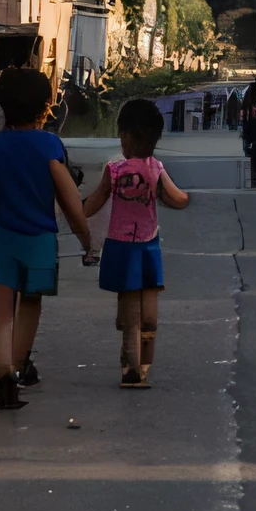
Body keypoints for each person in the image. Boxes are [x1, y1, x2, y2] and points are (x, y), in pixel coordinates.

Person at [0, 66, 94, 411]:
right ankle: (18, 367)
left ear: (1, 104)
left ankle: (2, 369)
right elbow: (68, 198)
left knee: (0, 309)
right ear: (46, 105)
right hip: (38, 241)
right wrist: (86, 238)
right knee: (30, 303)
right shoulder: (50, 144)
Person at [81, 98, 189, 387]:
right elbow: (180, 199)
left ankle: (135, 365)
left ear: (127, 136)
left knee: (132, 310)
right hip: (142, 245)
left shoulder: (127, 170)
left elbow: (93, 202)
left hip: (129, 245)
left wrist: (74, 213)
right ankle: (136, 366)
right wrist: (165, 193)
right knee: (144, 313)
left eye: (120, 136)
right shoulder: (136, 170)